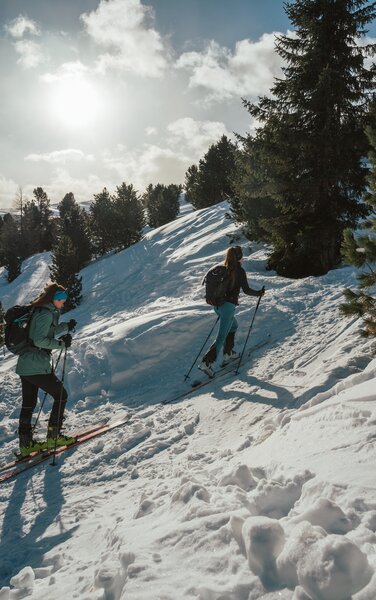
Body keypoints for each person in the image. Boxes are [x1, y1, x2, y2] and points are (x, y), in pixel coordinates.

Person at [16, 283, 77, 456]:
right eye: (61, 299)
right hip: (36, 365)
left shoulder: (42, 311)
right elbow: (39, 340)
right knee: (61, 395)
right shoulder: (45, 313)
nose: (64, 302)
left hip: (26, 365)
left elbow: (46, 332)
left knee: (29, 403)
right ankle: (53, 437)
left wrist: (65, 327)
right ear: (54, 298)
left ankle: (26, 445)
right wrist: (61, 344)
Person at [199, 246, 265, 377]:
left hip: (218, 306)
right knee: (221, 336)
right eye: (242, 255)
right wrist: (259, 293)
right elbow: (246, 290)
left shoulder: (223, 269)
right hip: (228, 307)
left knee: (233, 326)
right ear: (239, 257)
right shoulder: (239, 271)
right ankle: (206, 362)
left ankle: (228, 354)